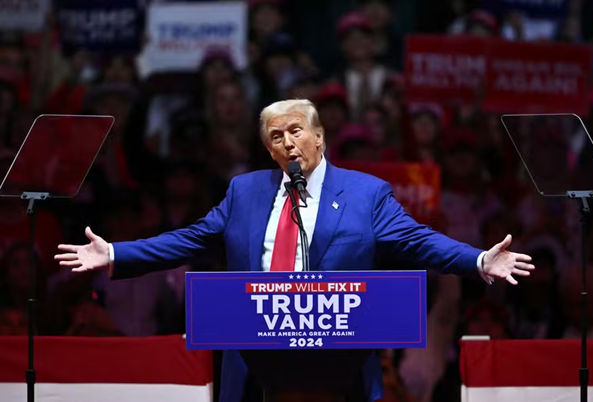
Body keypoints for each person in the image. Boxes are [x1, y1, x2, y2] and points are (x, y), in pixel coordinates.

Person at [55, 99, 534, 402]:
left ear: (319, 137)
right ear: (269, 150)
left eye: (295, 131)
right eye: (276, 137)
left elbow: (417, 239)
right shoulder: (244, 192)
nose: (287, 142)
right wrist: (116, 253)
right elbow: (191, 238)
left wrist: (477, 260)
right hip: (255, 353)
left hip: (341, 353)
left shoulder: (366, 194)